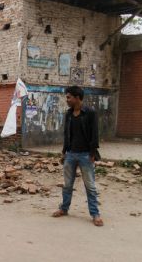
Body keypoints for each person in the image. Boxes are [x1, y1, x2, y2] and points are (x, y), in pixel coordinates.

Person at [52, 86, 103, 227]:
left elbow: (95, 134)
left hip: (86, 155)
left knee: (90, 186)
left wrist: (92, 154)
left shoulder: (90, 113)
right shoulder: (68, 114)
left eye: (69, 97)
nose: (67, 100)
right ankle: (64, 208)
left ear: (77, 97)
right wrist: (64, 153)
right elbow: (66, 135)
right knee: (67, 185)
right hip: (70, 154)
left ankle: (95, 214)